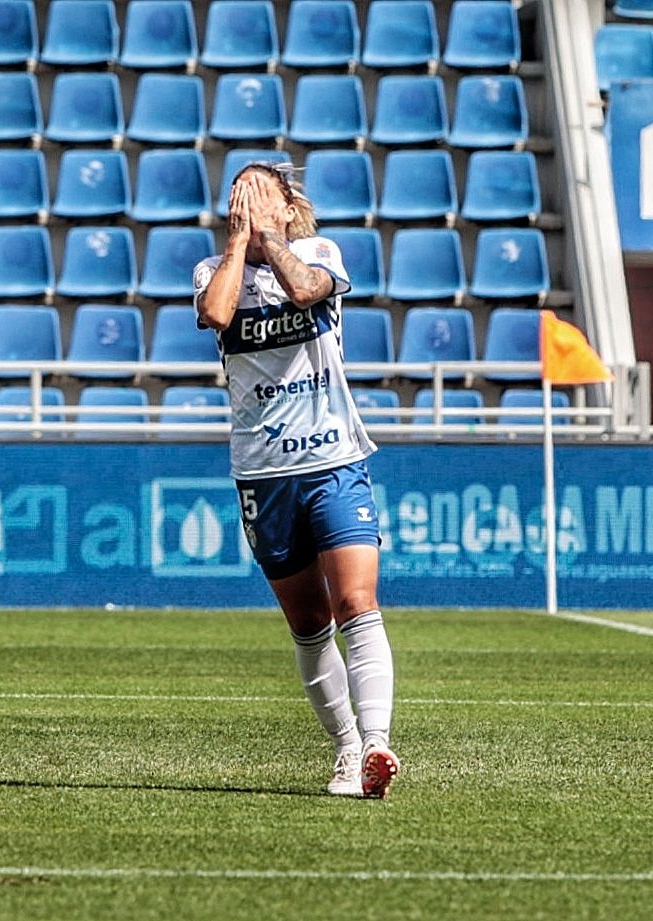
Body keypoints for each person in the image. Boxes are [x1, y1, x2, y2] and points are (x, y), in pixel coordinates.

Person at [193, 162, 399, 799]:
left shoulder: (318, 252)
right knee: (309, 623)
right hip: (263, 472)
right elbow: (217, 313)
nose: (249, 206)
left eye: (261, 196)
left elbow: (309, 290)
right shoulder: (212, 269)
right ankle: (343, 751)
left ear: (288, 208)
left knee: (356, 604)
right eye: (238, 197)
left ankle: (375, 743)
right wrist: (238, 242)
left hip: (335, 459)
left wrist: (272, 238)